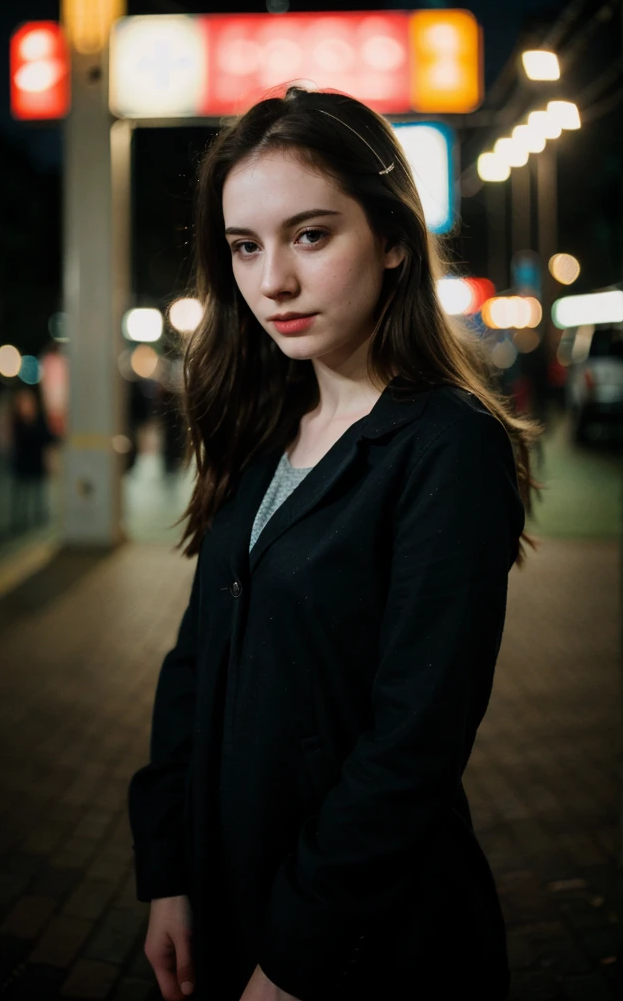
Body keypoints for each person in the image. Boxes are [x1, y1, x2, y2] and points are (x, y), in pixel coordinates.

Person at [128, 87, 544, 1001]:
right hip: (227, 892)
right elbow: (193, 663)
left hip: (371, 938)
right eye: (245, 246)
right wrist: (167, 869)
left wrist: (295, 955)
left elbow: (415, 744)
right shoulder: (262, 420)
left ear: (394, 239)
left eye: (311, 235)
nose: (272, 279)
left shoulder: (447, 446)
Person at [8, 385, 58, 530]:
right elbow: (23, 438)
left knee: (37, 490)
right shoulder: (18, 420)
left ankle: (39, 516)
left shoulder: (39, 417)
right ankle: (19, 519)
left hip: (35, 461)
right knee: (22, 492)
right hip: (23, 460)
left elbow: (46, 436)